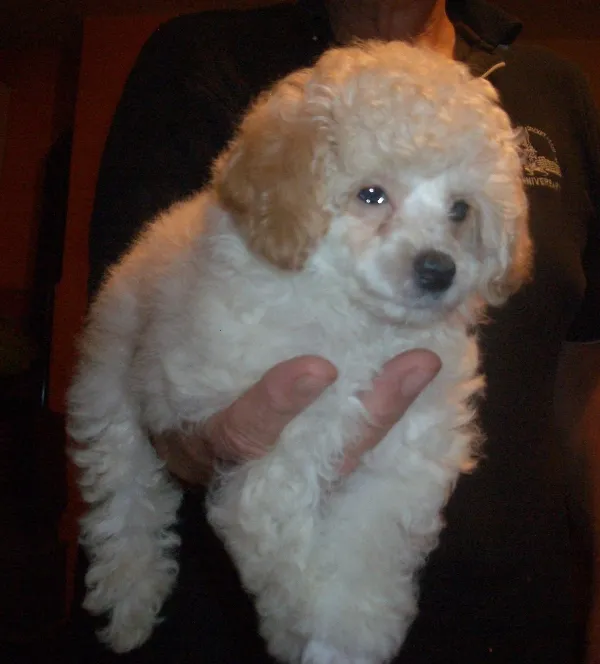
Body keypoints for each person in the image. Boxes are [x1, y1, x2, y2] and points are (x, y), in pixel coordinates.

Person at [69, 1, 600, 663]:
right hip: (209, 632)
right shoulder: (201, 60)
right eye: (373, 196)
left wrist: (352, 624)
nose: (434, 254)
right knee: (121, 480)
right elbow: (231, 459)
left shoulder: (559, 88)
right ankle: (127, 565)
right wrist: (216, 460)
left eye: (458, 209)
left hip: (505, 613)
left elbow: (428, 466)